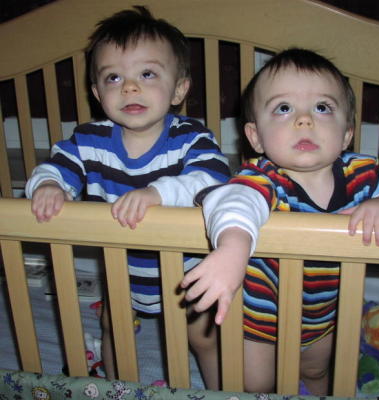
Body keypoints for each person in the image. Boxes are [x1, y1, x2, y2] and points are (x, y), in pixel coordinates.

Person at [181, 48, 379, 394]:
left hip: (323, 317)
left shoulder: (364, 177)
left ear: (345, 134)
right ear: (255, 138)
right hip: (260, 320)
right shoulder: (263, 178)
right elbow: (232, 200)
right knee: (255, 384)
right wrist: (233, 246)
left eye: (322, 108)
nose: (304, 120)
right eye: (284, 108)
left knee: (316, 371)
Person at [25, 6, 230, 388]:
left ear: (180, 89)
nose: (130, 87)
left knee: (204, 337)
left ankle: (224, 393)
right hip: (122, 271)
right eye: (113, 77)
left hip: (190, 273)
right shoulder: (90, 140)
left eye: (147, 74)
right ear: (97, 92)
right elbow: (57, 166)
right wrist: (50, 186)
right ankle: (115, 389)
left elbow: (215, 178)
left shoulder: (190, 137)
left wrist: (158, 193)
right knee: (113, 328)